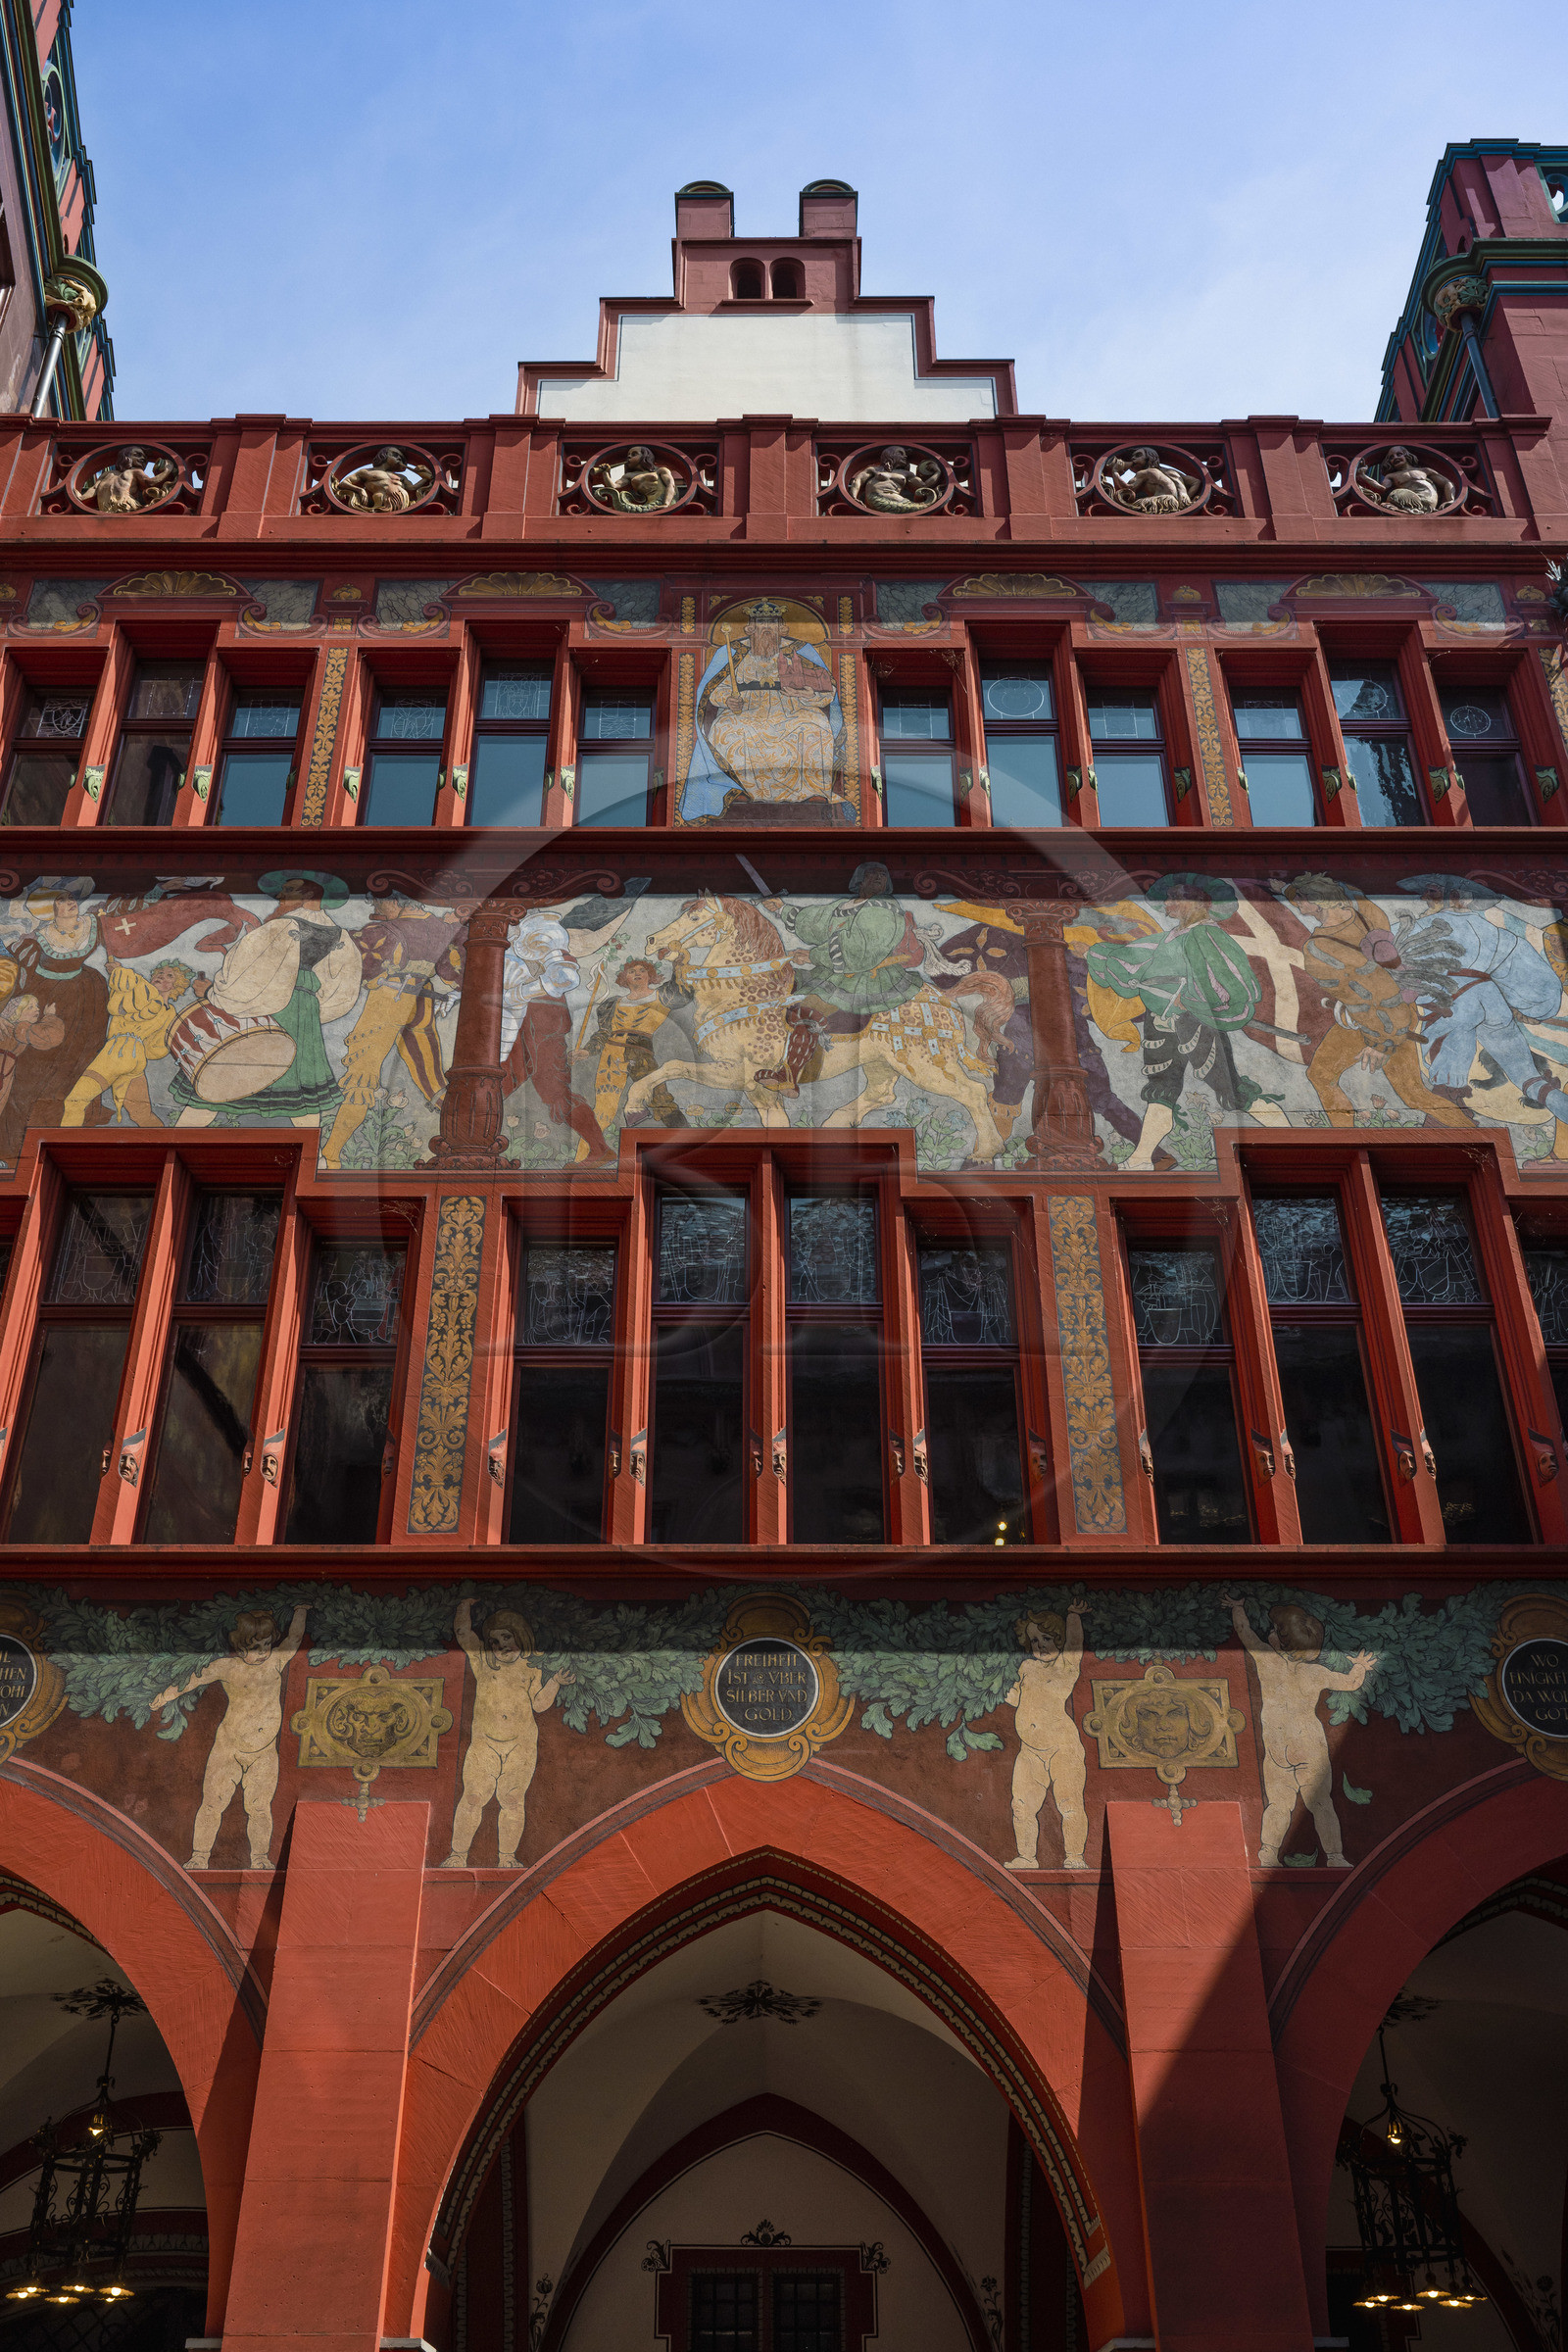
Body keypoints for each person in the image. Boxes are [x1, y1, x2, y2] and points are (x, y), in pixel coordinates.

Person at [1083, 874, 1289, 1168]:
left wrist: (1190, 999)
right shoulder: (1168, 939)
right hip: (1161, 1023)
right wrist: (1095, 953)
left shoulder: (1207, 935)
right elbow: (1132, 957)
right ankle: (1141, 1159)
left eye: (1173, 897)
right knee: (1161, 1091)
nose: (1166, 904)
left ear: (1196, 901)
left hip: (1196, 1022)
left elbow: (1231, 980)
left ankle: (1292, 1138)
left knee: (1232, 1091)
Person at [171, 871, 361, 1130]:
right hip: (305, 1015)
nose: (280, 896)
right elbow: (341, 990)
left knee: (222, 1074)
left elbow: (244, 972)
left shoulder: (281, 927)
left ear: (308, 894)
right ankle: (313, 1150)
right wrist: (311, 1010)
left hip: (266, 1006)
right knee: (303, 1091)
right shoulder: (340, 937)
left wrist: (212, 993)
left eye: (288, 890)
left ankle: (178, 1139)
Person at [1278, 874, 1470, 1129]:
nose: (1297, 904)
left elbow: (1372, 998)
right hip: (1404, 1011)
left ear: (1318, 901)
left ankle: (1346, 1139)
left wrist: (1382, 1044)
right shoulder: (1366, 912)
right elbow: (1347, 889)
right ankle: (1472, 1131)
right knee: (1413, 1093)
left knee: (1321, 1076)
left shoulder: (1319, 950)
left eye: (1301, 899)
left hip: (1376, 1023)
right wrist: (1286, 888)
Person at [1223, 1595, 1378, 1869]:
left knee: (1278, 1805)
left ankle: (1269, 1853)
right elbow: (1351, 1683)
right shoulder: (1314, 1673)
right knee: (1321, 1803)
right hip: (1309, 1744)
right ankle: (1335, 1856)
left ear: (1284, 1640)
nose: (1270, 1633)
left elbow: (1245, 1633)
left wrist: (1237, 1608)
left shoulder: (1267, 1661)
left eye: (1275, 1630)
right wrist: (1361, 1666)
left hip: (1277, 1747)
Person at [153, 1605, 309, 1871]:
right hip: (228, 1748)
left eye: (267, 1645)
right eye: (256, 1647)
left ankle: (259, 1858)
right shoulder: (227, 1667)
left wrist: (301, 1611)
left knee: (260, 1807)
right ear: (241, 1646)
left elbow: (294, 1639)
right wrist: (164, 1696)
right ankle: (199, 1856)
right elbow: (194, 1679)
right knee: (212, 1803)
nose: (263, 1652)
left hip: (264, 1752)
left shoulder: (275, 1662)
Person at [319, 894, 464, 1167]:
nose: (378, 909)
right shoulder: (442, 928)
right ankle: (467, 1137)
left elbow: (358, 964)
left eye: (379, 903)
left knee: (361, 1078)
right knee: (432, 1079)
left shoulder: (384, 931)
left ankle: (332, 1154)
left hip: (388, 1003)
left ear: (397, 901)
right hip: (422, 1001)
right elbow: (453, 973)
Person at [442, 1600, 574, 1868]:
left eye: (506, 1637)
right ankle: (457, 1855)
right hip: (485, 1743)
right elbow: (464, 1634)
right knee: (473, 1797)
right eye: (494, 1641)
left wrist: (555, 1682)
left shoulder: (531, 1666)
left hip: (521, 1744)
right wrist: (463, 1606)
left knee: (513, 1800)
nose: (501, 1645)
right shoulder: (484, 1662)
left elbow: (539, 1704)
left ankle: (507, 1858)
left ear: (519, 1636)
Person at [683, 601, 843, 818]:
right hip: (745, 709)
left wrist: (808, 695)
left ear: (781, 627)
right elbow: (712, 690)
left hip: (792, 707)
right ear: (751, 627)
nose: (766, 628)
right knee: (729, 729)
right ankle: (739, 791)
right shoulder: (731, 652)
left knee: (815, 727)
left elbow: (827, 690)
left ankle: (811, 792)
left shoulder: (801, 651)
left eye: (772, 623)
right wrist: (728, 699)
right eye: (761, 623)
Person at [501, 912, 612, 1164]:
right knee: (497, 1082)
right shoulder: (502, 939)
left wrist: (518, 994)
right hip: (518, 1023)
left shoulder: (542, 931)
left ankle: (600, 1149)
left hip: (544, 1023)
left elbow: (565, 976)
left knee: (556, 1094)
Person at [62, 956, 201, 1127]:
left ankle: (70, 1142)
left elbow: (128, 982)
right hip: (136, 1060)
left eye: (169, 975)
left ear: (176, 985)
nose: (161, 975)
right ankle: (163, 1139)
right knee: (142, 1114)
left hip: (116, 1054)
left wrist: (118, 971)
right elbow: (157, 1050)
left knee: (74, 1102)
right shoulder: (169, 1012)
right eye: (159, 972)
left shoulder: (144, 994)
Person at [1003, 1603, 1090, 1871]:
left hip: (1062, 1747)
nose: (1040, 1645)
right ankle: (1027, 1857)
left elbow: (1075, 1642)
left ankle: (1074, 1856)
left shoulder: (1066, 1665)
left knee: (1069, 1803)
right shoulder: (1027, 1667)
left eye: (1047, 1638)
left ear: (1059, 1639)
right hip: (1029, 1750)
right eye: (1034, 1640)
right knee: (1021, 1805)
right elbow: (1023, 1696)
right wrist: (1014, 1698)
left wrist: (1073, 1616)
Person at [588, 958, 672, 1132]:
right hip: (611, 1055)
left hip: (641, 1054)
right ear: (624, 977)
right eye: (632, 971)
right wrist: (587, 1051)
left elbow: (683, 991)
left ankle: (689, 1142)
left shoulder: (662, 996)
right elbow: (604, 1033)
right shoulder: (612, 1003)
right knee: (603, 1111)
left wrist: (679, 963)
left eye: (642, 970)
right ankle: (589, 1149)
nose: (637, 974)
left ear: (650, 975)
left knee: (661, 1102)